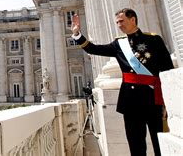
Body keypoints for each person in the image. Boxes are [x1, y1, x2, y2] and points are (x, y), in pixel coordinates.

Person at [71, 8, 173, 156]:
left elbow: (167, 70)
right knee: (136, 144)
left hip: (153, 99)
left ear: (133, 20)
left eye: (122, 21)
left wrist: (168, 100)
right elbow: (93, 49)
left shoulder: (154, 40)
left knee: (160, 143)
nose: (119, 25)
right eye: (117, 22)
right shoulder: (119, 44)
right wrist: (76, 34)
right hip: (130, 102)